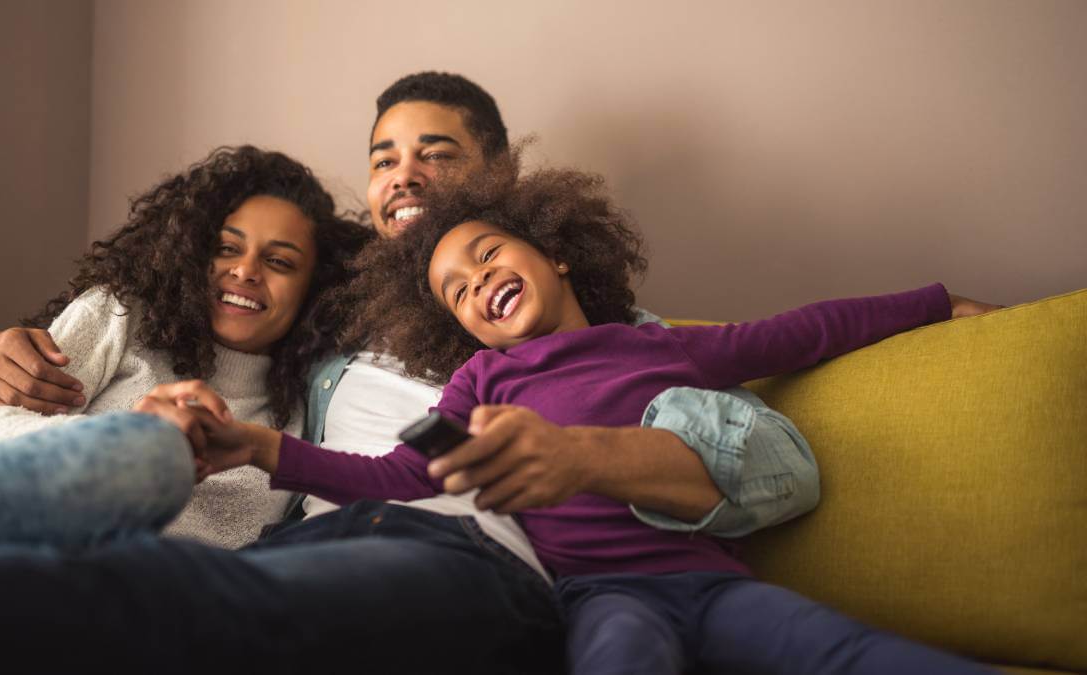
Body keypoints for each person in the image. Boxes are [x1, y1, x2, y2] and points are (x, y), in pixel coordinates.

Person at [0, 73, 822, 673]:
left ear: (497, 178)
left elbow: (779, 468)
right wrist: (16, 342)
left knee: (200, 606)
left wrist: (577, 454)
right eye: (383, 159)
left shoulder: (587, 333)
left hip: (464, 561)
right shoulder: (325, 325)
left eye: (436, 154)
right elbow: (196, 312)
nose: (403, 175)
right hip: (311, 540)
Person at [190, 165, 1000, 674]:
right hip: (601, 597)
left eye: (486, 255)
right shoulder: (479, 381)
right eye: (455, 292)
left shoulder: (659, 347)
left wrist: (938, 303)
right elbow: (401, 474)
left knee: (848, 651)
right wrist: (264, 446)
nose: (477, 284)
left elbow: (806, 329)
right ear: (458, 328)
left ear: (557, 252)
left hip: (712, 585)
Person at [0, 145, 372, 554]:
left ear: (315, 289)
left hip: (118, 589)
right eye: (226, 248)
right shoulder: (124, 314)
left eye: (278, 261)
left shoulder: (305, 410)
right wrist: (132, 442)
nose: (245, 271)